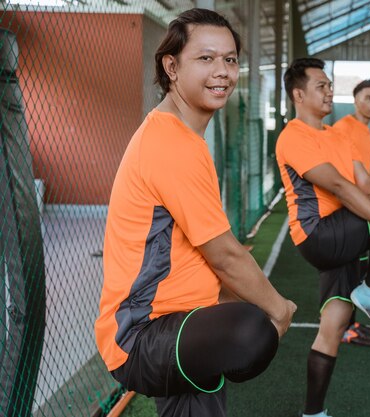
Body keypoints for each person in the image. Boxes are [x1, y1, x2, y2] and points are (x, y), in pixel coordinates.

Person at [94, 9, 296, 417]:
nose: (222, 71)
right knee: (249, 330)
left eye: (230, 59)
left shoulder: (179, 135)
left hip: (181, 322)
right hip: (141, 336)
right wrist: (279, 310)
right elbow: (224, 252)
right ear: (171, 66)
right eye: (205, 58)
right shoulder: (171, 142)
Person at [276, 58, 370, 417]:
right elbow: (338, 186)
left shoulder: (337, 135)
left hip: (346, 230)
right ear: (298, 93)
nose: (329, 91)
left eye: (329, 85)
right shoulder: (293, 136)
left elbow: (364, 182)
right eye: (321, 86)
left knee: (334, 324)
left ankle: (313, 413)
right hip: (319, 235)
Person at [333, 79, 370, 347]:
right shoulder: (343, 129)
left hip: (360, 207)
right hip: (347, 209)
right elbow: (349, 177)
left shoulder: (364, 130)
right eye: (368, 98)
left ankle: (350, 324)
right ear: (355, 100)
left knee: (357, 270)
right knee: (345, 271)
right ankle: (341, 329)